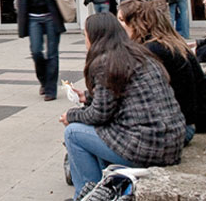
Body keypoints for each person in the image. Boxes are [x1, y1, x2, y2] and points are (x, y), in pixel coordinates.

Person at [60, 13, 185, 198]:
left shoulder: (105, 62)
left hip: (145, 146)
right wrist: (87, 97)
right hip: (171, 142)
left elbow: (99, 114)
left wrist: (70, 116)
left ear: (94, 37)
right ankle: (106, 184)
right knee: (98, 131)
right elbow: (116, 96)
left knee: (73, 133)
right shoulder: (139, 54)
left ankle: (88, 194)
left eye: (84, 35)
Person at [118, 0, 206, 144]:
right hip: (199, 116)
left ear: (136, 22)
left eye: (121, 20)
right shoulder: (166, 42)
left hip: (185, 123)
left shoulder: (153, 49)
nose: (118, 25)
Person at [16, 0, 69, 101]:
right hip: (33, 17)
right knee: (36, 51)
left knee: (52, 54)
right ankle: (44, 81)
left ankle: (50, 90)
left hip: (50, 15)